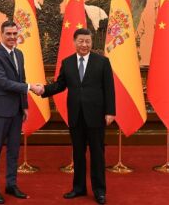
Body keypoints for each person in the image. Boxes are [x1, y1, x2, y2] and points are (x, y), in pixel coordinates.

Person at [41, 28, 115, 204]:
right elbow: (60, 85)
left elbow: (109, 89)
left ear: (91, 42)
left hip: (96, 116)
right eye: (81, 41)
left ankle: (99, 191)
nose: (84, 44)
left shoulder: (102, 62)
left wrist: (110, 111)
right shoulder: (67, 63)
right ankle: (79, 188)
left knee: (97, 154)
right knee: (78, 154)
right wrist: (43, 90)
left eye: (87, 41)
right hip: (75, 116)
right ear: (74, 42)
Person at [0, 20, 43, 204]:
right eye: (8, 34)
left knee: (13, 151)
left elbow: (21, 78)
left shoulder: (19, 54)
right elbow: (3, 83)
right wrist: (30, 88)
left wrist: (24, 105)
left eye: (14, 34)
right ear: (1, 35)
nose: (12, 37)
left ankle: (11, 184)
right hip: (0, 110)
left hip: (17, 111)